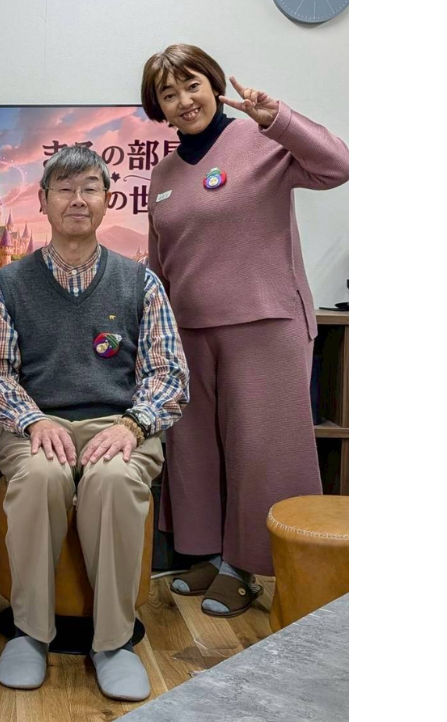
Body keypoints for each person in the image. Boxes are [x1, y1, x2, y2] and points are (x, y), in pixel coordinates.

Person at [0, 146, 189, 702]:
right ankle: (29, 633)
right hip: (36, 425)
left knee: (113, 481)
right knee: (39, 478)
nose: (77, 199)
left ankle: (113, 642)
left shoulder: (140, 283)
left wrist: (133, 425)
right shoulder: (10, 283)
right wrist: (31, 419)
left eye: (89, 188)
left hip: (120, 423)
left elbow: (169, 374)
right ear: (43, 201)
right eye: (64, 189)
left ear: (107, 199)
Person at [141, 44, 350, 617]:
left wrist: (277, 117)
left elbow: (338, 166)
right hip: (188, 330)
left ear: (213, 85)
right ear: (158, 107)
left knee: (261, 451)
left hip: (264, 322)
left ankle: (247, 567)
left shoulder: (262, 140)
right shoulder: (162, 174)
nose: (184, 101)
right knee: (195, 451)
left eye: (192, 85)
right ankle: (211, 555)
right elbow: (160, 260)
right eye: (168, 93)